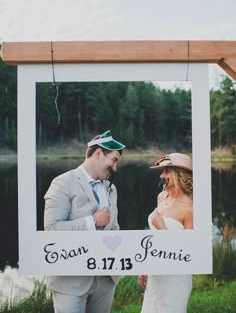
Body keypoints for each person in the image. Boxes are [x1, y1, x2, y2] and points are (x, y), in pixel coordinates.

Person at [44, 130, 126, 313]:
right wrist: (92, 222)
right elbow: (51, 229)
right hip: (71, 280)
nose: (115, 168)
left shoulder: (111, 189)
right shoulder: (62, 183)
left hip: (106, 279)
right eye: (114, 160)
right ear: (98, 153)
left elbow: (115, 227)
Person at [138, 153, 193, 313]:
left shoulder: (190, 209)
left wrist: (162, 228)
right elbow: (154, 240)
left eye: (166, 171)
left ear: (179, 174)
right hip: (157, 272)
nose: (162, 176)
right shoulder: (161, 197)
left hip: (175, 278)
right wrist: (146, 267)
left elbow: (188, 253)